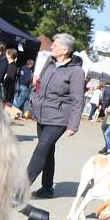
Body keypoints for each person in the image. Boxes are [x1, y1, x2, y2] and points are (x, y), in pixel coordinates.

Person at [26, 33, 85, 199]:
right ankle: (47, 188)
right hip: (42, 114)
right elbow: (40, 84)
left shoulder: (76, 72)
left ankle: (19, 190)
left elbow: (77, 99)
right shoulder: (50, 62)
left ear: (65, 50)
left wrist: (73, 125)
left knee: (41, 149)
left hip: (59, 118)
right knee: (47, 151)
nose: (51, 46)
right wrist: (35, 100)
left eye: (55, 44)